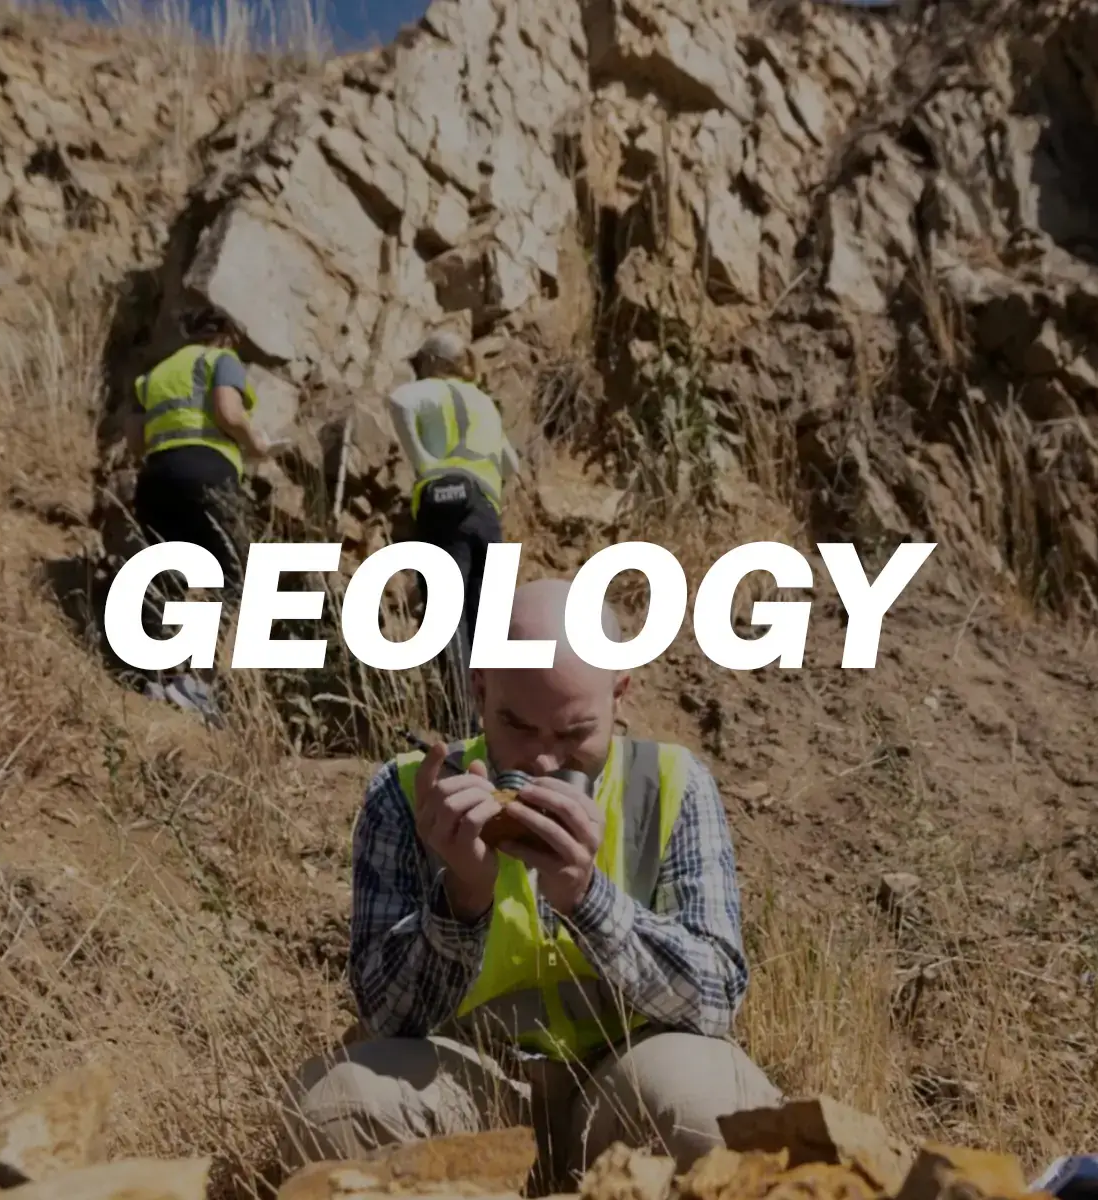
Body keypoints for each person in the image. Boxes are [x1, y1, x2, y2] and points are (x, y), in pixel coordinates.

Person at [280, 578, 782, 1188]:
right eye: (517, 726)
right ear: (480, 687)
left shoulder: (674, 784)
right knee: (339, 1114)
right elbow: (385, 1016)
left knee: (719, 1117)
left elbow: (715, 999)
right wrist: (461, 900)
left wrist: (588, 899)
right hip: (467, 1085)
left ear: (619, 695)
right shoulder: (408, 792)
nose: (544, 762)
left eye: (574, 735)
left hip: (627, 1085)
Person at [123, 304, 271, 718]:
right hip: (207, 473)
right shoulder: (220, 360)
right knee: (233, 574)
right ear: (226, 336)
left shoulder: (155, 375)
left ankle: (156, 679)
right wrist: (255, 442)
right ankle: (194, 682)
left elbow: (135, 439)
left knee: (163, 573)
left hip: (156, 474)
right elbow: (227, 411)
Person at [386, 330, 520, 736]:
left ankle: (459, 725)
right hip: (486, 512)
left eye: (419, 363)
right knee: (487, 619)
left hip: (445, 506)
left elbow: (398, 401)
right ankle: (496, 726)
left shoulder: (433, 389)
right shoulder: (485, 405)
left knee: (447, 614)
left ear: (433, 361)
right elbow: (511, 464)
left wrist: (425, 463)